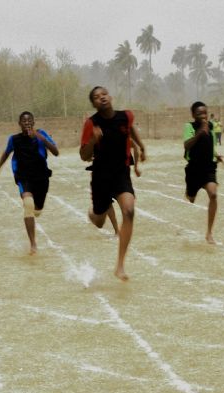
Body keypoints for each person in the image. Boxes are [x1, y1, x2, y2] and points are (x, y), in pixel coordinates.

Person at [80, 86, 146, 281]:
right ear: (94, 104)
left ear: (110, 97)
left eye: (104, 94)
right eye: (96, 97)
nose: (101, 98)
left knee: (129, 211)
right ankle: (93, 214)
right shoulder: (91, 124)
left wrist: (142, 146)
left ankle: (120, 266)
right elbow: (84, 155)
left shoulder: (126, 116)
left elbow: (131, 129)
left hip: (121, 174)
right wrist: (93, 140)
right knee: (100, 222)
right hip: (101, 177)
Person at [0, 111, 59, 255]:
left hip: (41, 177)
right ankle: (33, 244)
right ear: (19, 123)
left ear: (33, 122)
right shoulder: (14, 139)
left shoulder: (41, 134)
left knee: (37, 210)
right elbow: (5, 155)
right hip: (23, 177)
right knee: (28, 205)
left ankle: (36, 211)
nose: (27, 123)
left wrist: (41, 138)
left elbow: (56, 152)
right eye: (24, 121)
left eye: (29, 120)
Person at [183, 101, 224, 244]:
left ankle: (209, 233)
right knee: (191, 198)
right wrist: (200, 132)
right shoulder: (189, 126)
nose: (203, 116)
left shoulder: (211, 126)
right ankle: (189, 192)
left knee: (213, 194)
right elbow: (186, 145)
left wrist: (216, 155)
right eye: (199, 113)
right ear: (193, 115)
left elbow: (210, 145)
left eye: (205, 113)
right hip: (193, 169)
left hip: (208, 168)